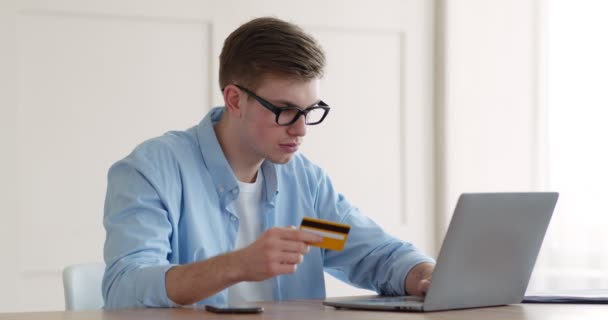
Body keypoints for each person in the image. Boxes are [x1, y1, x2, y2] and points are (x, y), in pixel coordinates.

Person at [102, 16, 435, 309]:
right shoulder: (152, 172)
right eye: (285, 110)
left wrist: (423, 274)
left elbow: (365, 250)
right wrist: (236, 266)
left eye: (309, 111)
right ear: (235, 99)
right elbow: (126, 286)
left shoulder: (305, 185)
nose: (301, 128)